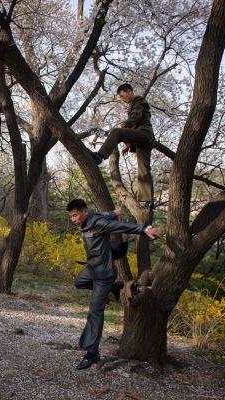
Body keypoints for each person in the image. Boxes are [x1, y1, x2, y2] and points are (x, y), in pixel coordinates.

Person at [66, 198, 162, 370]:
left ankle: (92, 354)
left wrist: (145, 228)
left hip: (104, 274)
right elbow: (104, 214)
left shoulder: (98, 223)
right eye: (71, 217)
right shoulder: (92, 216)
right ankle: (116, 287)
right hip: (93, 268)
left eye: (75, 215)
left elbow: (122, 226)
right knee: (79, 282)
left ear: (84, 212)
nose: (73, 220)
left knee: (95, 311)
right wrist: (114, 213)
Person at [92, 83, 156, 209]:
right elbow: (135, 125)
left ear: (129, 91)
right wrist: (129, 145)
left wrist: (122, 125)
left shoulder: (138, 100)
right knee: (143, 170)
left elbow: (135, 118)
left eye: (123, 96)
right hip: (144, 139)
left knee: (116, 132)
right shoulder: (134, 104)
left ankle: (100, 155)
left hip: (144, 134)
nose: (122, 99)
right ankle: (148, 200)